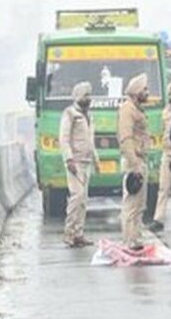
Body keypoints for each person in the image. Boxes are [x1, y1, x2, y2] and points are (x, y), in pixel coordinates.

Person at [60, 81, 99, 248]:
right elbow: (64, 138)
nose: (88, 98)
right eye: (85, 95)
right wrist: (68, 159)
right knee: (76, 196)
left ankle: (79, 234)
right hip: (75, 162)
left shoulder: (88, 115)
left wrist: (96, 160)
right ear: (77, 96)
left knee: (83, 200)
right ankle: (69, 233)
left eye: (89, 95)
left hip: (87, 162)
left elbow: (91, 142)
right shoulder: (70, 113)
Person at [118, 73, 151, 249]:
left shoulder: (137, 109)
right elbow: (125, 138)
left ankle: (136, 239)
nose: (147, 92)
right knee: (131, 204)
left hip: (140, 160)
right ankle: (129, 240)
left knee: (140, 205)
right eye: (144, 89)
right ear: (136, 91)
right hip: (134, 161)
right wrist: (135, 164)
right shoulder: (127, 109)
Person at [149, 81, 171, 233]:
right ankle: (158, 219)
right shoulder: (164, 112)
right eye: (170, 94)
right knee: (163, 188)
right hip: (167, 152)